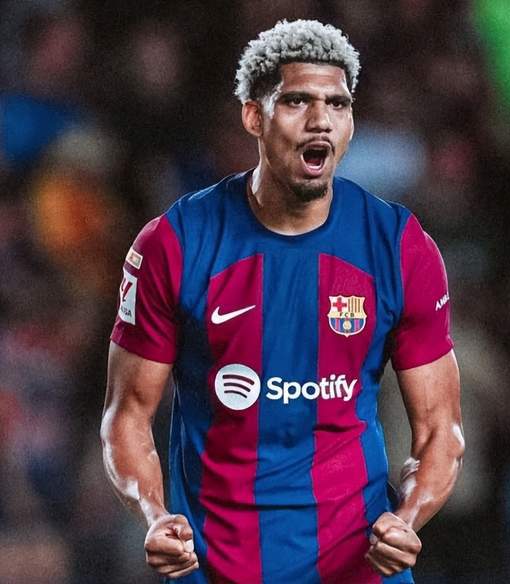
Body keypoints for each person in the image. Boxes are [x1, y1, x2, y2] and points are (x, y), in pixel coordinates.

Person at [101, 19, 463, 584]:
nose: (321, 120)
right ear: (253, 116)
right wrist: (154, 516)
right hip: (216, 566)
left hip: (359, 567)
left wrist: (408, 518)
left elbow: (441, 430)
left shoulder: (398, 246)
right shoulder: (175, 243)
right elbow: (126, 415)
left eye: (337, 104)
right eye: (297, 101)